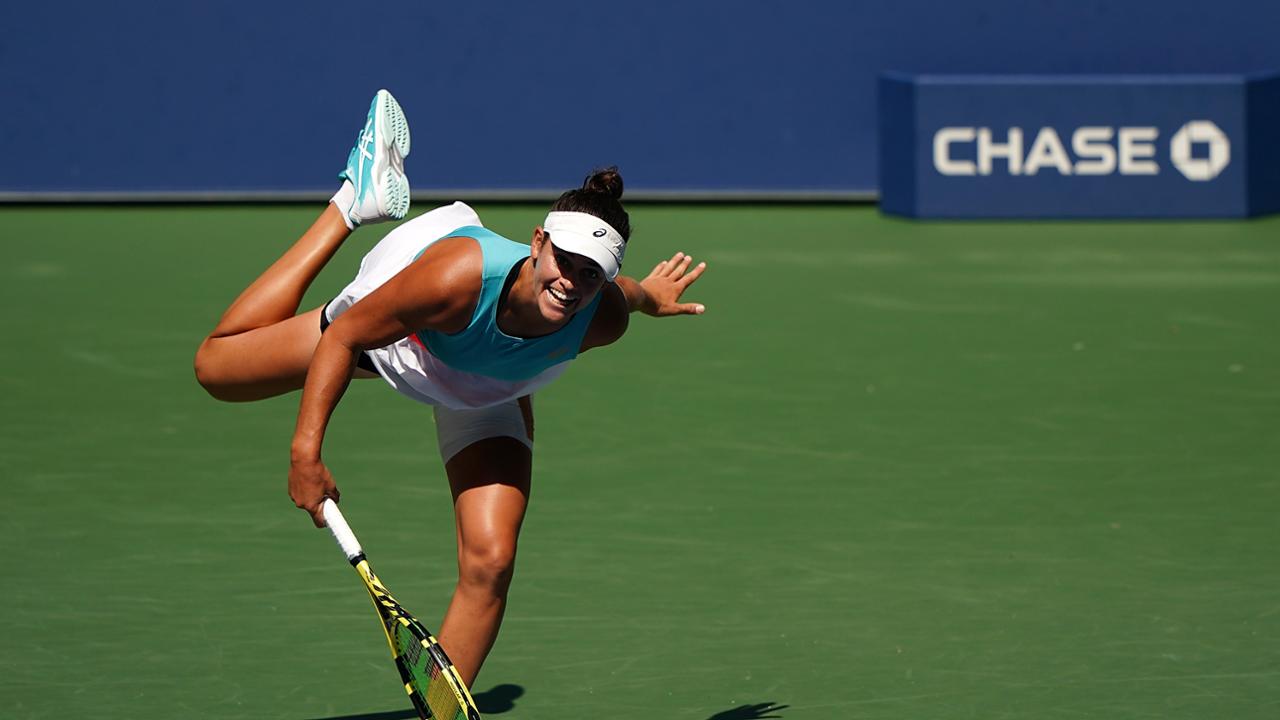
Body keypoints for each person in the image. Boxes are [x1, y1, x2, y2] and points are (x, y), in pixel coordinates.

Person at [193, 89, 707, 685]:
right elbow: (344, 338)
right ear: (538, 243)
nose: (571, 282)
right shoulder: (454, 280)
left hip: (488, 388)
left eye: (592, 274)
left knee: (492, 561)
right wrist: (305, 454)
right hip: (405, 338)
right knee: (218, 370)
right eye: (564, 260)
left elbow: (631, 295)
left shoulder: (603, 316)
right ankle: (351, 205)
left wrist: (652, 297)